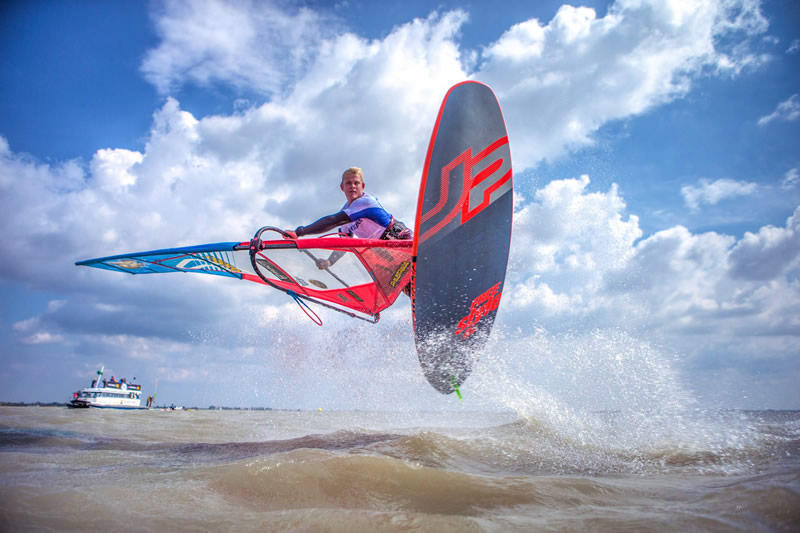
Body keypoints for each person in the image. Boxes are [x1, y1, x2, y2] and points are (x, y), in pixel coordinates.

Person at [284, 167, 412, 270]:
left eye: (356, 183)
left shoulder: (365, 202)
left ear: (363, 186)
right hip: (383, 251)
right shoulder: (346, 216)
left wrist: (300, 232)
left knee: (418, 268)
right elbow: (345, 245)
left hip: (396, 236)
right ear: (342, 187)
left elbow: (332, 221)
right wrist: (329, 262)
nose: (353, 186)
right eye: (348, 183)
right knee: (409, 286)